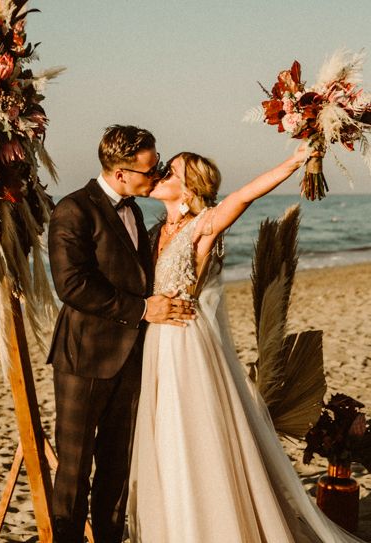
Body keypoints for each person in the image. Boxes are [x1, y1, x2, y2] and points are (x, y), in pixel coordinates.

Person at [127, 146, 364, 542]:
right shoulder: (153, 231)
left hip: (185, 347)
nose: (162, 174)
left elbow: (244, 195)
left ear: (188, 189)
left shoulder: (202, 225)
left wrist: (293, 161)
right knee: (162, 438)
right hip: (156, 344)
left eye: (171, 172)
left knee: (189, 435)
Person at [46, 125, 195, 543]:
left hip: (133, 356)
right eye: (150, 171)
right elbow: (72, 285)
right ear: (120, 174)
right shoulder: (73, 210)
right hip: (86, 357)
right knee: (75, 468)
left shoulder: (136, 209)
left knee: (118, 466)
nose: (158, 175)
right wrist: (145, 309)